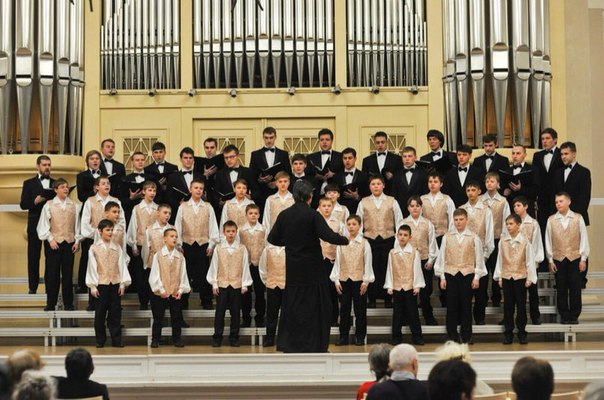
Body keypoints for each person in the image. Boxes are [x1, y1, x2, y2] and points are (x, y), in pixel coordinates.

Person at [267, 180, 349, 353]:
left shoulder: (284, 215)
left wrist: (290, 243)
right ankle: (314, 344)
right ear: (310, 197)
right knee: (316, 306)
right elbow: (328, 236)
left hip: (293, 268)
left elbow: (272, 238)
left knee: (294, 305)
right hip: (313, 268)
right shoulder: (313, 215)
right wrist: (345, 240)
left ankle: (291, 344)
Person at [435, 208, 487, 344]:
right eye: (456, 220)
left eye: (461, 219)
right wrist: (442, 277)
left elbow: (479, 258)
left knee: (466, 306)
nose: (458, 222)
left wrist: (477, 277)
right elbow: (441, 257)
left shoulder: (474, 237)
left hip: (467, 273)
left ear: (466, 220)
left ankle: (466, 336)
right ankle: (452, 335)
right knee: (451, 306)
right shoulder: (447, 237)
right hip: (450, 273)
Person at [357, 175, 404, 308]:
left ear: (383, 185)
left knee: (387, 269)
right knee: (370, 268)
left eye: (378, 184)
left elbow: (399, 221)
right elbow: (359, 223)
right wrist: (360, 240)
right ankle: (371, 299)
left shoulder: (392, 201)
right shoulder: (363, 202)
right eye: (373, 184)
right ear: (369, 186)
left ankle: (388, 299)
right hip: (369, 240)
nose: (376, 186)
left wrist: (398, 240)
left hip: (388, 239)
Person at [174, 179, 220, 310]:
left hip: (203, 244)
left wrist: (211, 245)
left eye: (201, 188)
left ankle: (206, 301)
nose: (198, 190)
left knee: (204, 273)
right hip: (186, 245)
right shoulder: (182, 207)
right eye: (196, 188)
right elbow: (178, 226)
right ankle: (183, 302)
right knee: (185, 273)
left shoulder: (208, 207)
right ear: (190, 189)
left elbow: (213, 227)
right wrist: (178, 245)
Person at [36, 178, 81, 311]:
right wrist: (50, 239)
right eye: (62, 187)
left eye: (66, 187)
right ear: (56, 190)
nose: (65, 189)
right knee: (52, 274)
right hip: (54, 243)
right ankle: (51, 303)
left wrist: (77, 241)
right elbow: (43, 225)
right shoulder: (48, 205)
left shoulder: (74, 205)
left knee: (68, 275)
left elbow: (77, 225)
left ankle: (68, 304)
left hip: (69, 243)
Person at [545, 192, 590, 324]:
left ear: (568, 202)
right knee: (561, 288)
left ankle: (574, 315)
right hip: (558, 258)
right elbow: (548, 240)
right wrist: (550, 260)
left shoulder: (578, 218)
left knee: (575, 287)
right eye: (556, 202)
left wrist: (583, 258)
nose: (558, 204)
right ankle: (564, 315)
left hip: (575, 258)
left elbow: (583, 238)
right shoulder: (551, 220)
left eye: (561, 201)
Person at [207, 220, 253, 347]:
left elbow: (245, 266)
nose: (231, 233)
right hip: (222, 284)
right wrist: (214, 283)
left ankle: (234, 337)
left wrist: (245, 284)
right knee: (220, 312)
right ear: (224, 232)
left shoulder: (242, 248)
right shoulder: (219, 248)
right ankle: (217, 337)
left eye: (233, 231)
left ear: (236, 232)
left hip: (236, 284)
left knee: (235, 312)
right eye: (228, 231)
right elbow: (214, 266)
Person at [330, 215, 374, 346]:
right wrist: (336, 280)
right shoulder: (342, 243)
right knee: (344, 309)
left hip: (359, 280)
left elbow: (368, 263)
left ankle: (360, 336)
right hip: (344, 279)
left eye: (354, 224)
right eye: (349, 224)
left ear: (360, 226)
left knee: (360, 309)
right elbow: (337, 262)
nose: (351, 227)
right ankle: (343, 336)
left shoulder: (364, 243)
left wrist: (366, 281)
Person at [87, 219, 131, 348]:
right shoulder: (94, 248)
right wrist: (92, 286)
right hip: (101, 284)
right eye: (107, 230)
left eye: (111, 230)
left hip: (115, 283)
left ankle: (116, 340)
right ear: (100, 231)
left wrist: (122, 283)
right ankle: (100, 340)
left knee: (115, 313)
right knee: (100, 313)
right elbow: (92, 267)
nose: (110, 232)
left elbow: (121, 265)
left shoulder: (117, 247)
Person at [79, 177, 126, 296]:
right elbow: (85, 223)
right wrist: (98, 233)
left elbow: (122, 221)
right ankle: (94, 294)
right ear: (96, 187)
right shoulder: (90, 201)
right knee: (96, 267)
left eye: (108, 183)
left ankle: (115, 293)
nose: (107, 185)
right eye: (103, 183)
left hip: (114, 239)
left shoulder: (116, 201)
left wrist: (113, 231)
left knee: (114, 266)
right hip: (95, 240)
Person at [554, 141, 592, 287]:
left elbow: (584, 196)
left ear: (574, 154)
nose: (563, 157)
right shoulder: (558, 173)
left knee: (580, 246)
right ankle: (561, 280)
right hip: (560, 217)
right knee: (560, 247)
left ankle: (581, 279)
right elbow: (555, 195)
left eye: (566, 153)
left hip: (577, 216)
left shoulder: (584, 172)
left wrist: (575, 217)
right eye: (562, 154)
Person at [494, 214, 536, 344]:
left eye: (511, 224)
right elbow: (500, 260)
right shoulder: (503, 241)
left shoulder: (525, 241)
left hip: (520, 276)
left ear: (519, 225)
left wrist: (530, 278)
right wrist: (499, 276)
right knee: (508, 306)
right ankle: (508, 333)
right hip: (507, 276)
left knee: (521, 306)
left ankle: (522, 332)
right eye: (507, 224)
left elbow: (529, 260)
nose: (508, 226)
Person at [149, 228, 190, 348]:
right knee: (158, 317)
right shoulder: (158, 255)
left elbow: (183, 274)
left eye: (176, 236)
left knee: (176, 316)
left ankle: (177, 339)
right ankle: (155, 339)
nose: (174, 239)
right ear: (164, 239)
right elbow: (155, 274)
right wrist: (161, 290)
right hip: (160, 291)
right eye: (172, 236)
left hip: (175, 291)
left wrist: (181, 290)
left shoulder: (180, 257)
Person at [461, 181, 494, 325]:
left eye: (473, 190)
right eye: (468, 190)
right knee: (465, 292)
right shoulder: (461, 209)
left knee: (481, 291)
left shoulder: (486, 210)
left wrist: (484, 256)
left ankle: (480, 318)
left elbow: (489, 234)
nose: (470, 193)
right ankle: (465, 320)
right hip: (464, 257)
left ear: (479, 191)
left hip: (481, 256)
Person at [385, 225, 425, 346]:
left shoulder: (414, 252)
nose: (402, 237)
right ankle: (396, 336)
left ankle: (417, 336)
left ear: (410, 237)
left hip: (410, 286)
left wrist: (417, 285)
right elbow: (390, 269)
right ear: (397, 236)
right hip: (397, 286)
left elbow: (417, 269)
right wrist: (390, 285)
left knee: (413, 312)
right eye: (400, 235)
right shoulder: (392, 252)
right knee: (397, 313)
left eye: (405, 235)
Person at [401, 196, 438, 325]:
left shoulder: (428, 223)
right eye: (412, 206)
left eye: (417, 206)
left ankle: (428, 316)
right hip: (408, 261)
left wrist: (431, 260)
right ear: (408, 208)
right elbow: (399, 242)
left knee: (425, 291)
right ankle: (408, 317)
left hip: (424, 260)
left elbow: (432, 243)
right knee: (408, 290)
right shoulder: (403, 223)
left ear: (421, 207)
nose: (415, 208)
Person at [20, 155, 54, 294]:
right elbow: (23, 204)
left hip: (52, 224)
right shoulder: (28, 183)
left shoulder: (55, 183)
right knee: (33, 256)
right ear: (38, 166)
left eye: (49, 165)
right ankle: (32, 287)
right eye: (44, 165)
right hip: (35, 223)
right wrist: (35, 201)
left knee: (51, 258)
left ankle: (49, 288)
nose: (47, 167)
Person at [533, 128, 563, 268]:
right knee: (544, 228)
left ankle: (558, 261)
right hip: (543, 199)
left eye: (547, 138)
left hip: (558, 198)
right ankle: (545, 262)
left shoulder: (561, 154)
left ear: (555, 140)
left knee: (558, 229)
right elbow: (536, 177)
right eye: (543, 139)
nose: (544, 141)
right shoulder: (537, 156)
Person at [126, 181, 158, 310]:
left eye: (154, 190)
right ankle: (143, 302)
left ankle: (155, 301)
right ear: (144, 192)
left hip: (155, 246)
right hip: (140, 244)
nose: (152, 193)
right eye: (150, 190)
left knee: (153, 274)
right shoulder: (137, 208)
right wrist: (133, 245)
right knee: (140, 275)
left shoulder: (158, 209)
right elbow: (133, 226)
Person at [513, 196, 545, 325]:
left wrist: (535, 262)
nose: (516, 208)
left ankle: (535, 316)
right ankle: (514, 317)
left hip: (530, 262)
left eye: (518, 205)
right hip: (515, 263)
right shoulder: (511, 222)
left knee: (533, 291)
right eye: (514, 206)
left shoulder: (533, 223)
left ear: (526, 206)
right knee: (516, 293)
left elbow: (537, 243)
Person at [482, 172, 511, 308]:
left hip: (497, 238)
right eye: (487, 181)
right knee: (483, 269)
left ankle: (496, 297)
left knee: (496, 268)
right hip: (483, 240)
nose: (489, 183)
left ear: (498, 184)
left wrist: (504, 239)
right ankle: (482, 297)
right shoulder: (480, 200)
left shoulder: (503, 201)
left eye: (492, 181)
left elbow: (506, 220)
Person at [249, 126, 292, 220]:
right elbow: (251, 176)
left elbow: (288, 173)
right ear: (263, 138)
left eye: (271, 138)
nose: (269, 140)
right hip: (261, 195)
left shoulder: (283, 154)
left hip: (280, 193)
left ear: (275, 137)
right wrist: (260, 180)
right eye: (266, 138)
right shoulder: (255, 154)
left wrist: (277, 184)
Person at [318, 197, 346, 326]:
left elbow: (345, 240)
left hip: (332, 261)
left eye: (329, 206)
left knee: (332, 290)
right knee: (319, 290)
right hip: (318, 260)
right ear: (319, 207)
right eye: (324, 206)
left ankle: (334, 318)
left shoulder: (339, 223)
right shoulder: (315, 221)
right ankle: (320, 318)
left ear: (332, 207)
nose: (326, 208)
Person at [239, 204, 267, 329]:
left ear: (259, 215)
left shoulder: (263, 229)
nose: (253, 215)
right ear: (246, 215)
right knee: (246, 292)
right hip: (246, 265)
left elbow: (266, 247)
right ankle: (246, 318)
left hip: (259, 264)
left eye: (256, 213)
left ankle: (260, 317)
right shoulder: (240, 230)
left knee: (260, 292)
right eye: (250, 213)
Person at [213, 145, 257, 212]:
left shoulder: (248, 172)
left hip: (244, 208)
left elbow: (256, 192)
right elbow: (216, 194)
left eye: (231, 157)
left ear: (238, 156)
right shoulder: (220, 173)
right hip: (227, 209)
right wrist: (220, 202)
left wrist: (249, 196)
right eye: (226, 158)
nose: (229, 160)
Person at [166, 147, 205, 222]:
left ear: (193, 160)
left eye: (190, 158)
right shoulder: (173, 177)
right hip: (179, 213)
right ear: (181, 159)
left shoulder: (201, 177)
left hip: (198, 212)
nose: (188, 160)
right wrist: (179, 204)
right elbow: (168, 197)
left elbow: (206, 195)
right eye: (185, 158)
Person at [258, 242, 286, 347]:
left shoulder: (289, 249)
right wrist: (267, 281)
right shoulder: (267, 250)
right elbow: (262, 268)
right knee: (271, 313)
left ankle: (284, 339)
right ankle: (269, 338)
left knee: (286, 313)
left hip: (286, 285)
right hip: (272, 285)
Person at [392, 146, 428, 217]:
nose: (407, 159)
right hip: (401, 212)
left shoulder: (423, 174)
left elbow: (425, 194)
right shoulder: (397, 174)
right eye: (404, 156)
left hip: (418, 211)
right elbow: (394, 195)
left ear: (415, 157)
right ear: (402, 158)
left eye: (410, 156)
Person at [306, 128, 344, 195]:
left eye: (327, 139)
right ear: (319, 141)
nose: (324, 142)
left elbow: (345, 175)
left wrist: (334, 175)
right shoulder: (310, 157)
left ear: (332, 141)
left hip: (335, 194)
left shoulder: (340, 156)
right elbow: (307, 176)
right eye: (322, 140)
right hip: (316, 195)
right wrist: (316, 177)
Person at [502, 144, 537, 216]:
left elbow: (536, 190)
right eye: (513, 153)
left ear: (525, 154)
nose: (515, 156)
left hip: (527, 207)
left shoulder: (533, 169)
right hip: (511, 208)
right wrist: (504, 191)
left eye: (518, 153)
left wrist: (520, 189)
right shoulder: (506, 170)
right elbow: (502, 187)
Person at [333, 148, 369, 214]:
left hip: (358, 210)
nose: (347, 160)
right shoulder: (336, 176)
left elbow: (367, 195)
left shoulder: (364, 176)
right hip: (341, 211)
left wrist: (357, 197)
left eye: (350, 158)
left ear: (355, 159)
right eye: (345, 158)